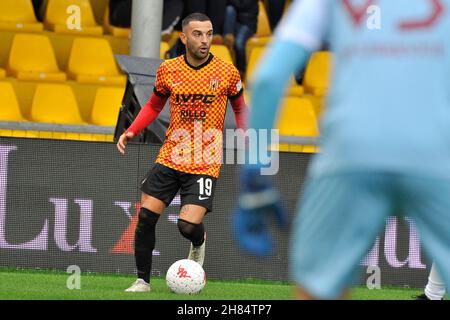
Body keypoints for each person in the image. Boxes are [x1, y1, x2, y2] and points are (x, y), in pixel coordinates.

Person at [234, 0, 450, 299]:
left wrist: (253, 174)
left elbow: (269, 80)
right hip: (437, 153)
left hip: (350, 151)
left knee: (320, 289)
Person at [117, 12, 248, 292]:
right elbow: (153, 105)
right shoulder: (169, 70)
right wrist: (132, 129)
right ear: (183, 37)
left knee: (187, 225)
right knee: (146, 217)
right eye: (198, 34)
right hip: (172, 155)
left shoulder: (227, 72)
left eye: (209, 33)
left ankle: (198, 243)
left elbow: (239, 107)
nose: (205, 40)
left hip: (205, 160)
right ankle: (142, 281)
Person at [223, 0, 259, 76]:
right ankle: (228, 36)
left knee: (239, 44)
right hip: (235, 22)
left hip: (248, 23)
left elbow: (242, 6)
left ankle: (241, 70)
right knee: (229, 9)